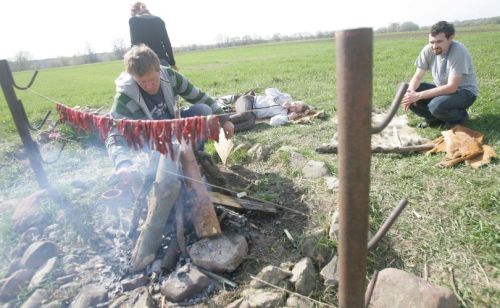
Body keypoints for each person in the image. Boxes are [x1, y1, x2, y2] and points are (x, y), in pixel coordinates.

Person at [105, 44, 234, 225]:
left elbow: (199, 96)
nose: (149, 86)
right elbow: (114, 134)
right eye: (143, 82)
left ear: (159, 70)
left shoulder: (170, 76)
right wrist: (122, 164)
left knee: (202, 110)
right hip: (154, 143)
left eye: (152, 79)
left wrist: (225, 118)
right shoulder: (124, 99)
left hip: (176, 129)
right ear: (133, 78)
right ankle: (170, 175)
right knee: (164, 172)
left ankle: (194, 161)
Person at [402, 21, 478, 128]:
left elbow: (452, 87)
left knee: (435, 105)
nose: (434, 46)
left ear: (451, 38)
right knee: (405, 92)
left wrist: (418, 96)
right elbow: (417, 76)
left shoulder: (458, 51)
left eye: (439, 41)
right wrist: (410, 93)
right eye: (431, 42)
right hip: (443, 89)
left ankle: (460, 117)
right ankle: (434, 119)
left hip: (464, 92)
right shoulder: (428, 49)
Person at [229, 88, 311, 132]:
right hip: (248, 100)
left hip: (253, 114)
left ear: (295, 112)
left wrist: (288, 118)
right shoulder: (287, 97)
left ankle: (223, 130)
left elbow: (272, 122)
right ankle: (220, 121)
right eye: (296, 103)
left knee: (250, 124)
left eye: (296, 108)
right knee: (245, 114)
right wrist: (280, 102)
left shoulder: (284, 114)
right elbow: (268, 90)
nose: (293, 105)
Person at [129, 2, 178, 70]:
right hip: (163, 62)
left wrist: (131, 62)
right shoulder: (159, 20)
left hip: (144, 62)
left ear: (134, 11)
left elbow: (134, 44)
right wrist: (172, 63)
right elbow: (167, 43)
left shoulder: (133, 20)